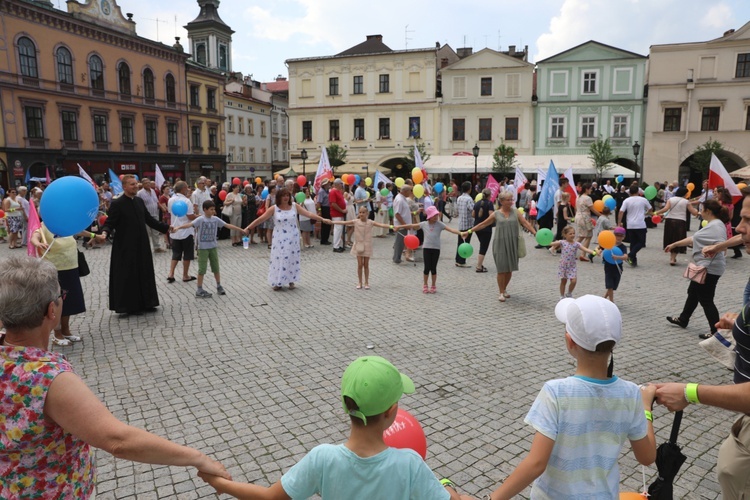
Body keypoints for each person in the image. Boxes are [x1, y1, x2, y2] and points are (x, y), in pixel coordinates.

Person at [0, 256, 230, 498]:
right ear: (51, 309)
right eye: (61, 296)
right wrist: (198, 458)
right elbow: (118, 440)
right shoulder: (47, 379)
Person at [198, 355, 473, 500]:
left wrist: (220, 483)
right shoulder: (410, 464)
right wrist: (450, 488)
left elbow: (270, 497)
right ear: (392, 412)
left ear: (346, 406)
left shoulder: (323, 458)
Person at [488, 295, 656, 499]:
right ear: (613, 344)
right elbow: (647, 457)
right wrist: (646, 407)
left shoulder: (556, 392)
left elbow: (536, 463)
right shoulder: (631, 393)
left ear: (569, 341)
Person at [655, 188, 750, 499]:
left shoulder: (712, 227)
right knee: (698, 298)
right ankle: (690, 319)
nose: (738, 227)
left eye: (748, 220)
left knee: (702, 298)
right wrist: (738, 322)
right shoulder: (726, 232)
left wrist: (688, 392)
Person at [94, 175, 171, 315]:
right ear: (124, 187)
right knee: (128, 274)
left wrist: (166, 228)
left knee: (144, 272)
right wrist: (104, 233)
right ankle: (129, 306)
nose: (135, 186)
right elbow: (110, 222)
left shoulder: (140, 201)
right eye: (132, 184)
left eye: (136, 184)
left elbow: (149, 220)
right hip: (125, 245)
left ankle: (148, 302)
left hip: (142, 244)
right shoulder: (117, 203)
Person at [665, 199, 729, 339]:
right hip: (703, 267)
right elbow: (694, 238)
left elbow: (723, 246)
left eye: (702, 209)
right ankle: (683, 319)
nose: (700, 212)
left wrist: (712, 250)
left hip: (709, 269)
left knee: (706, 299)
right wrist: (674, 244)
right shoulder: (713, 224)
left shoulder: (717, 226)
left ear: (708, 211)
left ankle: (716, 331)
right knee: (693, 292)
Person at [245, 187, 330, 291]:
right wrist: (248, 227)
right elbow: (261, 219)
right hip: (279, 238)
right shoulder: (274, 208)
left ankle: (291, 280)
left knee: (291, 258)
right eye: (283, 196)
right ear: (279, 197)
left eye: (287, 195)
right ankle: (278, 281)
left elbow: (309, 214)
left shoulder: (294, 206)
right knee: (280, 258)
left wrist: (322, 219)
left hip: (292, 237)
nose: (285, 198)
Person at [464, 190, 537, 302]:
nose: (511, 202)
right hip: (500, 243)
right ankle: (501, 292)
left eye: (511, 199)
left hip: (512, 243)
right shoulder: (496, 214)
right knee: (501, 269)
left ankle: (505, 288)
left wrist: (535, 233)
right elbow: (482, 224)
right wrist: (469, 231)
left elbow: (525, 223)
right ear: (501, 201)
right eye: (508, 200)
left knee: (509, 269)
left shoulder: (516, 212)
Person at [30, 221, 90, 346]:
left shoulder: (64, 223)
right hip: (54, 269)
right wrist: (38, 243)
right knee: (56, 302)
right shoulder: (43, 226)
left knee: (69, 302)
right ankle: (57, 335)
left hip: (70, 267)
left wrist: (94, 236)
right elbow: (34, 237)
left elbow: (77, 230)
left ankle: (66, 331)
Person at [173, 200, 245, 298]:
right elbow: (190, 225)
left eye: (213, 209)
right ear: (205, 210)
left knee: (216, 267)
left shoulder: (215, 219)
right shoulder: (200, 219)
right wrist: (178, 227)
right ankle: (199, 289)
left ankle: (219, 285)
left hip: (213, 247)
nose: (213, 211)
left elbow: (227, 225)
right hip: (203, 249)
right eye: (211, 209)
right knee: (202, 269)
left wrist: (241, 230)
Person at [398, 206, 464, 294]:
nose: (436, 217)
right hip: (427, 248)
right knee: (426, 268)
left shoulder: (440, 224)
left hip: (436, 249)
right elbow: (411, 225)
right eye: (434, 215)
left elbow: (451, 230)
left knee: (433, 268)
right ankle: (425, 284)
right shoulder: (424, 224)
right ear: (429, 216)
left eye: (436, 215)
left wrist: (461, 233)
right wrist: (399, 226)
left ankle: (433, 285)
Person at [331, 206, 392, 289]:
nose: (361, 214)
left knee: (366, 264)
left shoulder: (370, 222)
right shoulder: (356, 222)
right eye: (360, 212)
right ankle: (360, 281)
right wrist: (332, 222)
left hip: (367, 245)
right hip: (359, 245)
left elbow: (381, 225)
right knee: (360, 264)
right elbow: (344, 222)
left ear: (367, 213)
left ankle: (366, 282)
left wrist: (392, 227)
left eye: (363, 212)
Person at [653, 186, 699, 265]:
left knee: (670, 238)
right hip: (680, 221)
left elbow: (666, 209)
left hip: (669, 221)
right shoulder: (686, 201)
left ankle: (672, 257)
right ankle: (673, 258)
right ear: (685, 194)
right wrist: (697, 211)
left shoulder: (671, 199)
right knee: (678, 239)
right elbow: (693, 212)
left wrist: (657, 212)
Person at [549, 226, 596, 300]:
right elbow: (551, 243)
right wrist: (544, 240)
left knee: (574, 281)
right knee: (563, 281)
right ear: (565, 235)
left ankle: (569, 293)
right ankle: (562, 295)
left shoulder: (576, 244)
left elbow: (585, 249)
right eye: (570, 234)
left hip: (572, 266)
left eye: (573, 233)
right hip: (563, 265)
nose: (572, 235)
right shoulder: (562, 242)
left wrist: (594, 252)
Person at [167, 181, 198, 283]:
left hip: (174, 230)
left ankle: (171, 273)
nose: (188, 189)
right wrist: (199, 216)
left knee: (176, 253)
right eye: (187, 188)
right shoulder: (186, 201)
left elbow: (170, 212)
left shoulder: (171, 200)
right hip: (186, 231)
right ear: (183, 189)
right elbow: (190, 216)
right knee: (187, 254)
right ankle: (185, 275)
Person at [617, 185, 653, 267]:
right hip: (640, 224)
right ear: (638, 191)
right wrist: (646, 213)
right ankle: (630, 255)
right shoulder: (643, 200)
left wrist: (619, 223)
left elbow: (621, 211)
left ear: (630, 192)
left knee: (633, 243)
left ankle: (633, 260)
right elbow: (650, 209)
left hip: (630, 224)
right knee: (641, 242)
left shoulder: (627, 200)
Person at [597, 226, 628, 303]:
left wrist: (617, 257)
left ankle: (604, 298)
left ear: (624, 237)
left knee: (613, 286)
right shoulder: (608, 243)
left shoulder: (623, 247)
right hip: (608, 267)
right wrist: (598, 251)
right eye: (617, 235)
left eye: (621, 236)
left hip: (618, 268)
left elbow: (625, 257)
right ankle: (611, 302)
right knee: (609, 285)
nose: (618, 237)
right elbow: (599, 248)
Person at [136, 178, 166, 253]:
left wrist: (162, 207)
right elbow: (138, 204)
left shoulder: (153, 191)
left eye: (149, 182)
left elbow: (156, 201)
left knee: (155, 232)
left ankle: (157, 247)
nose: (148, 184)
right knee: (147, 232)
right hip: (146, 216)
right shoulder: (140, 193)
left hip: (155, 213)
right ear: (143, 184)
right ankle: (146, 248)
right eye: (146, 183)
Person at [575, 182, 601, 262]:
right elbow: (592, 209)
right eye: (590, 189)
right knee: (588, 236)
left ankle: (570, 248)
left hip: (578, 216)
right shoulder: (587, 198)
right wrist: (600, 215)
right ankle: (583, 254)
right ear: (587, 189)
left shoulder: (578, 196)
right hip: (585, 217)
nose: (591, 191)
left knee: (581, 236)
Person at [472, 188, 495, 272]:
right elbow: (491, 215)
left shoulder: (477, 203)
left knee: (482, 245)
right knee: (483, 247)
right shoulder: (489, 203)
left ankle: (480, 264)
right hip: (486, 228)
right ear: (489, 195)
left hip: (477, 227)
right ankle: (479, 266)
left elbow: (473, 215)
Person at [391, 184, 413, 264]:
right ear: (405, 191)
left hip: (403, 225)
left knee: (401, 242)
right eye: (410, 191)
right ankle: (397, 258)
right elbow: (397, 214)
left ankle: (397, 257)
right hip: (401, 225)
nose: (411, 192)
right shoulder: (400, 200)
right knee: (399, 242)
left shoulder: (402, 198)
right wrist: (404, 224)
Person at [455, 181, 474, 268]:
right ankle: (462, 261)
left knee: (460, 242)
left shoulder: (459, 198)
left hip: (461, 223)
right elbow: (472, 210)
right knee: (466, 243)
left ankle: (458, 259)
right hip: (468, 224)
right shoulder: (469, 199)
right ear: (469, 189)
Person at [329, 179, 347, 252]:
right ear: (337, 184)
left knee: (340, 230)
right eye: (340, 184)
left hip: (340, 213)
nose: (341, 185)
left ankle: (338, 244)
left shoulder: (339, 192)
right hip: (336, 214)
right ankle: (336, 246)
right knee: (337, 229)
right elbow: (333, 204)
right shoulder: (333, 192)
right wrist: (342, 210)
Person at [316, 178, 332, 245]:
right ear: (325, 184)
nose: (329, 184)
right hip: (324, 208)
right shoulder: (321, 191)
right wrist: (319, 211)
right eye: (328, 183)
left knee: (328, 224)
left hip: (328, 208)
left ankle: (326, 238)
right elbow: (319, 202)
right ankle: (323, 239)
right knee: (325, 224)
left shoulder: (327, 191)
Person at [158, 183, 172, 250]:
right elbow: (164, 207)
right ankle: (167, 243)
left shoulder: (169, 196)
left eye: (169, 189)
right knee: (166, 228)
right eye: (167, 189)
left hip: (171, 214)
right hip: (167, 214)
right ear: (163, 190)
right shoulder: (162, 197)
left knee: (171, 228)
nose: (168, 190)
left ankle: (171, 241)